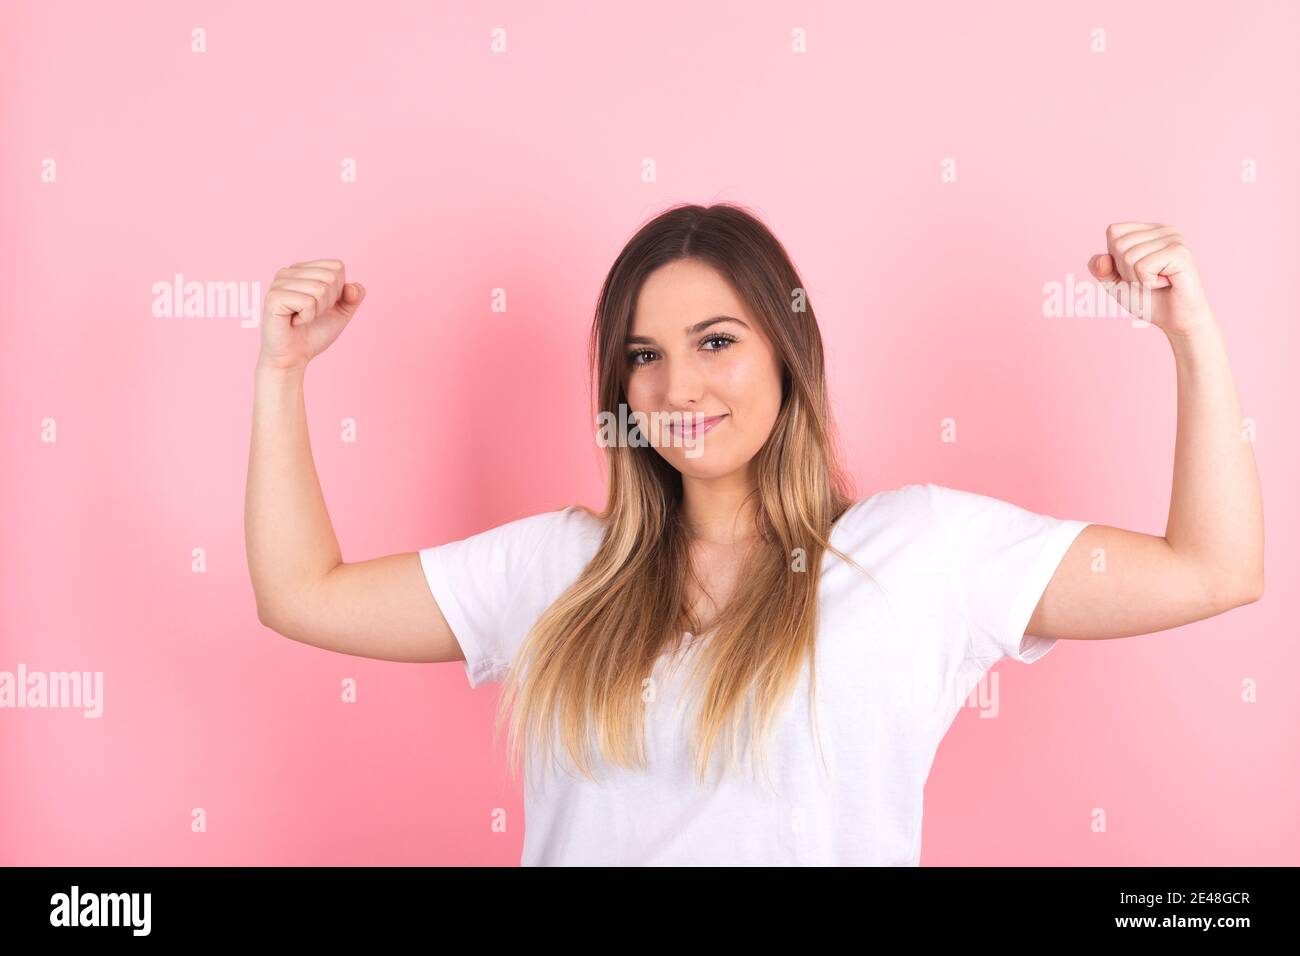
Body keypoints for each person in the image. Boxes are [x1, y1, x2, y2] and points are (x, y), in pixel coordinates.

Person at [244, 202, 1264, 865]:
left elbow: (1212, 569)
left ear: (787, 354)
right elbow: (302, 591)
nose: (675, 385)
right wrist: (281, 376)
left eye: (715, 342)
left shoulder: (920, 552)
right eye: (643, 354)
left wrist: (1192, 335)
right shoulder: (561, 567)